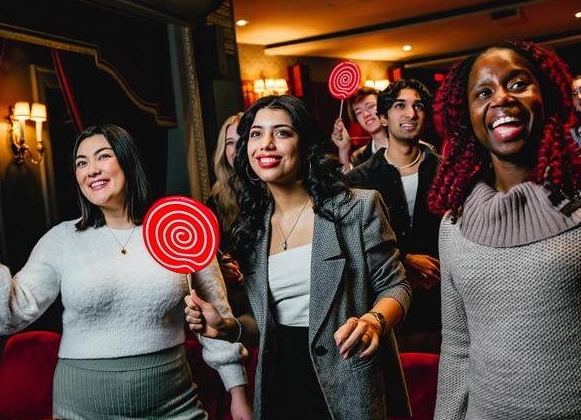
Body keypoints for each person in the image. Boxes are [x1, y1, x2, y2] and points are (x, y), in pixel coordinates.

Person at [0, 124, 251, 420]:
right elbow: (7, 315)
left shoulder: (179, 227)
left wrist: (238, 395)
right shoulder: (61, 239)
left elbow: (219, 319)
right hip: (82, 407)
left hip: (173, 402)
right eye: (81, 162)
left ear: (128, 162)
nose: (91, 169)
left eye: (103, 156)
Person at [184, 95, 412, 420]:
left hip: (348, 378)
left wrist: (373, 321)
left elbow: (398, 287)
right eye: (256, 134)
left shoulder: (356, 208)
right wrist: (227, 327)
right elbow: (265, 323)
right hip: (279, 384)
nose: (266, 145)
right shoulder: (252, 228)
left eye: (281, 133)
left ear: (305, 145)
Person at [428, 40, 581, 419]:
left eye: (517, 84)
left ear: (548, 97)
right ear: (468, 116)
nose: (500, 100)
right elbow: (459, 347)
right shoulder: (454, 224)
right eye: (483, 92)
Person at [347, 79, 442, 353]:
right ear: (384, 117)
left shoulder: (446, 173)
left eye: (418, 106)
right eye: (400, 106)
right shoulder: (358, 179)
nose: (410, 114)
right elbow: (352, 244)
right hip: (385, 308)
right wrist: (404, 260)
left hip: (443, 304)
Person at [206, 112, 249, 315]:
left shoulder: (277, 190)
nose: (237, 149)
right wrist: (222, 268)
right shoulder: (215, 200)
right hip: (240, 299)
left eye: (243, 140)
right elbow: (213, 254)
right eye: (230, 143)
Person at [331, 86, 387, 170]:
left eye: (370, 106)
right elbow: (346, 182)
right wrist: (343, 149)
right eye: (358, 112)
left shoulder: (407, 143)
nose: (365, 114)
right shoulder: (358, 157)